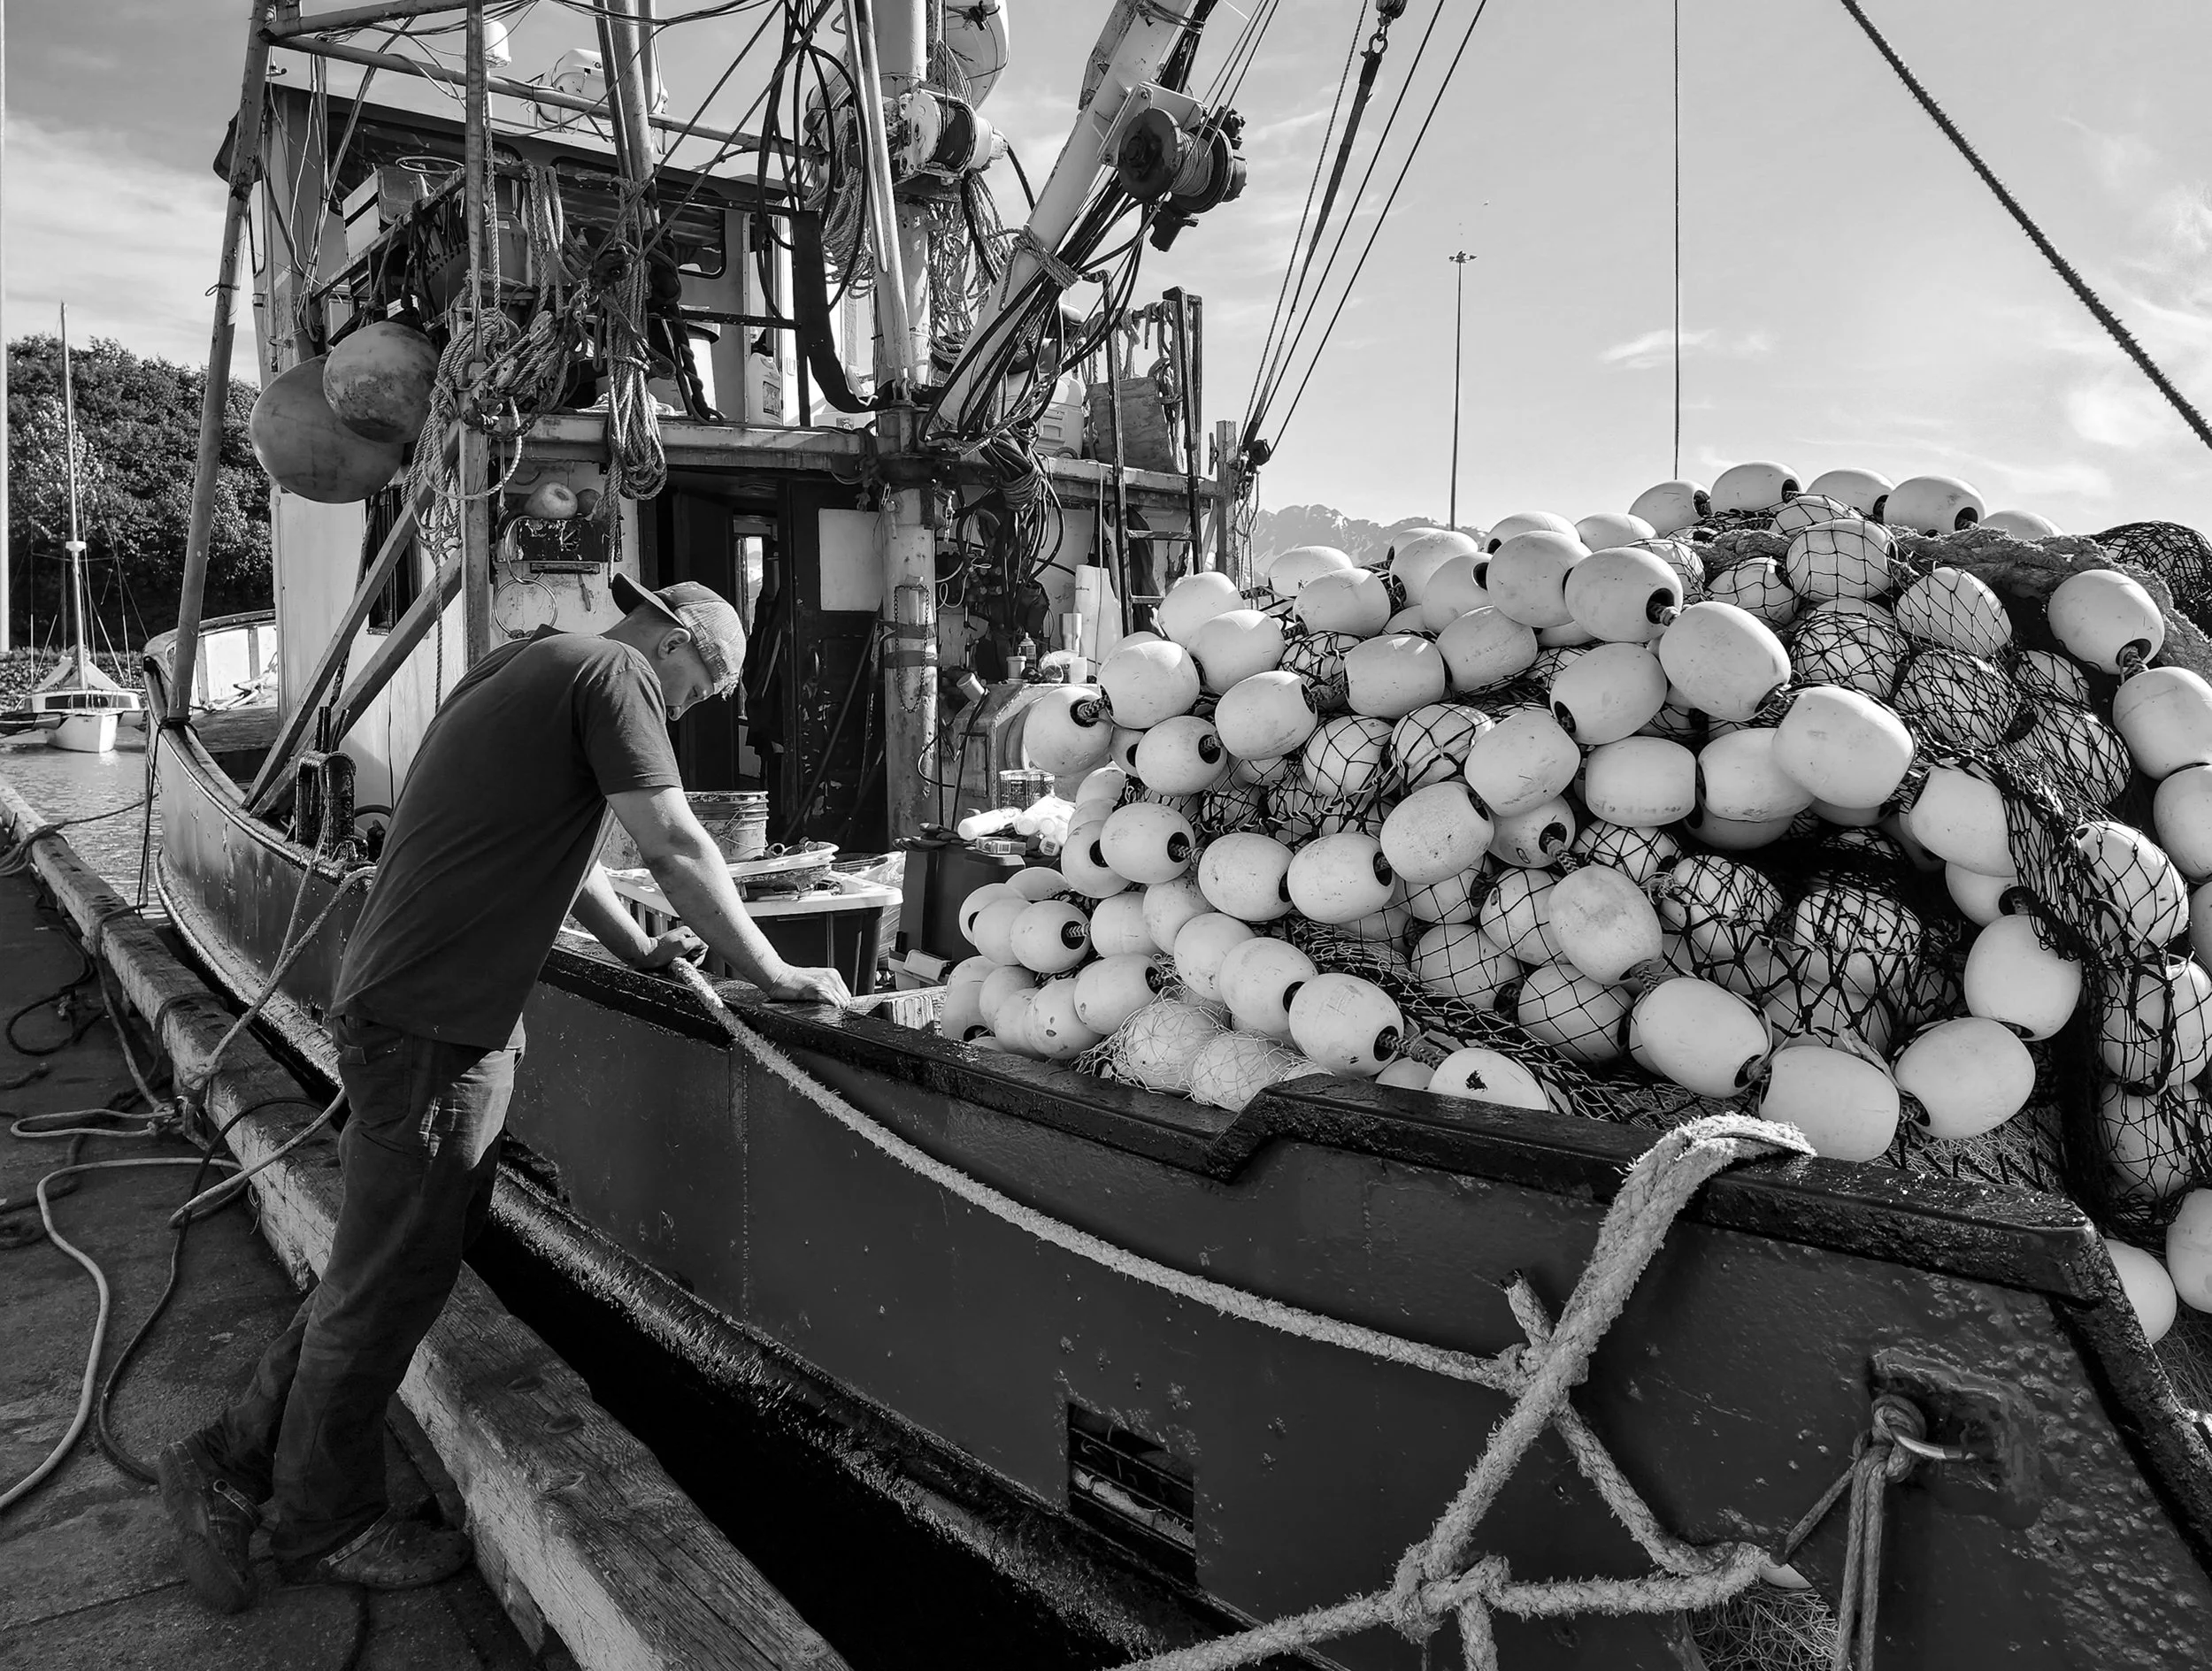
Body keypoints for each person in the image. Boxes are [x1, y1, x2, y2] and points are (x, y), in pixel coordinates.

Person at [157, 576, 850, 1610]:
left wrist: (641, 949)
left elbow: (566, 856)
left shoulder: (527, 665)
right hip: (433, 1033)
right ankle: (321, 1520)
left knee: (380, 1266)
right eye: (702, 685)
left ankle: (232, 1451)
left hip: (422, 1019)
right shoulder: (618, 676)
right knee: (385, 1285)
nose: (690, 708)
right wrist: (771, 971)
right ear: (672, 638)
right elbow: (669, 838)